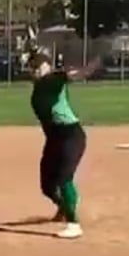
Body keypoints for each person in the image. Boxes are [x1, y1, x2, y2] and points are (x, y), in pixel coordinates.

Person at [28, 52, 98, 239]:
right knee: (47, 186)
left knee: (64, 179)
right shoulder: (38, 89)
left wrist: (90, 67)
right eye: (33, 67)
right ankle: (64, 206)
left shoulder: (53, 80)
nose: (36, 70)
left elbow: (73, 75)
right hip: (54, 139)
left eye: (39, 67)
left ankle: (74, 224)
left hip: (71, 136)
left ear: (48, 67)